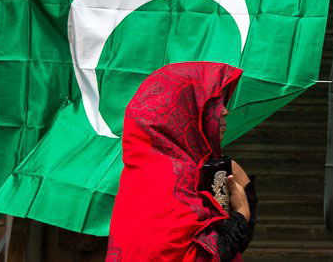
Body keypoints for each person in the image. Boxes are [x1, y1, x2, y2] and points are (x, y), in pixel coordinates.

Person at [106, 62, 257, 261]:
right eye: (214, 102)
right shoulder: (166, 179)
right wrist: (240, 216)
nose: (224, 111)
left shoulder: (195, 170)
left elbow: (231, 245)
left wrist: (246, 190)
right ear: (183, 112)